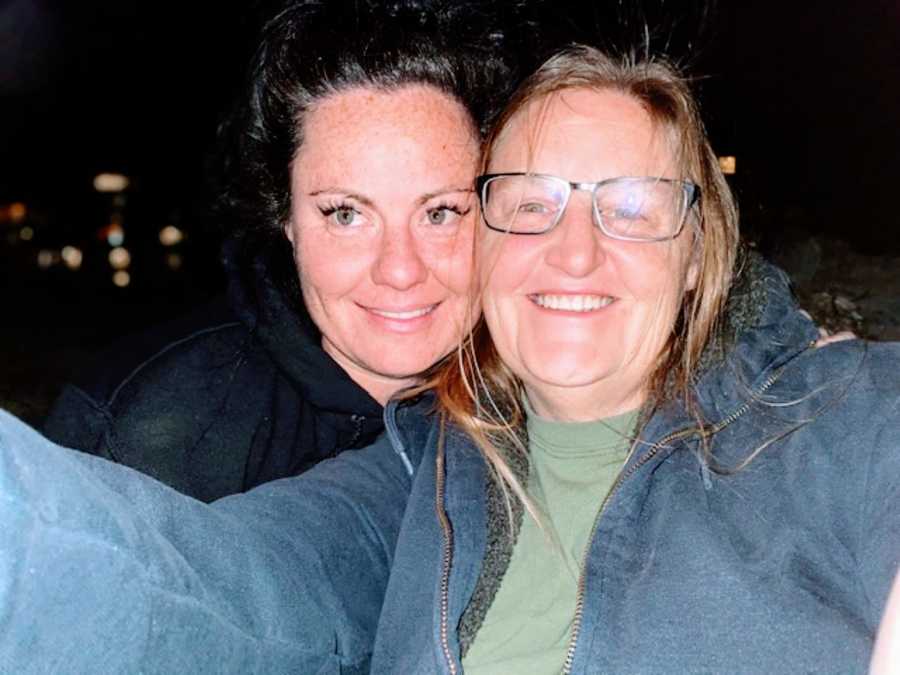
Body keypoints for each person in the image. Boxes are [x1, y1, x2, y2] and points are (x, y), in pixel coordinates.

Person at [1, 45, 897, 673]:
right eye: (529, 201)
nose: (574, 251)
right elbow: (210, 581)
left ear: (699, 251)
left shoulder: (838, 414)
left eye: (630, 205)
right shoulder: (424, 466)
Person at [40, 0, 512, 502]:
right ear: (284, 216)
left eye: (439, 213)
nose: (399, 269)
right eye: (346, 214)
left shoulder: (535, 411)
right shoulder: (155, 438)